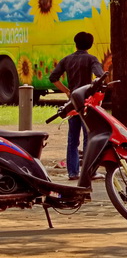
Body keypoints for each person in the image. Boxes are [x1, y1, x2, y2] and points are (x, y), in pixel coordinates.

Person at [49, 32, 105, 181]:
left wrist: (67, 91)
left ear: (75, 43)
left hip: (72, 104)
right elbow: (99, 77)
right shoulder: (91, 59)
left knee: (73, 139)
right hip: (87, 104)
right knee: (89, 138)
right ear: (90, 45)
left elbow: (53, 78)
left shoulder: (67, 60)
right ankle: (89, 171)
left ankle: (72, 172)